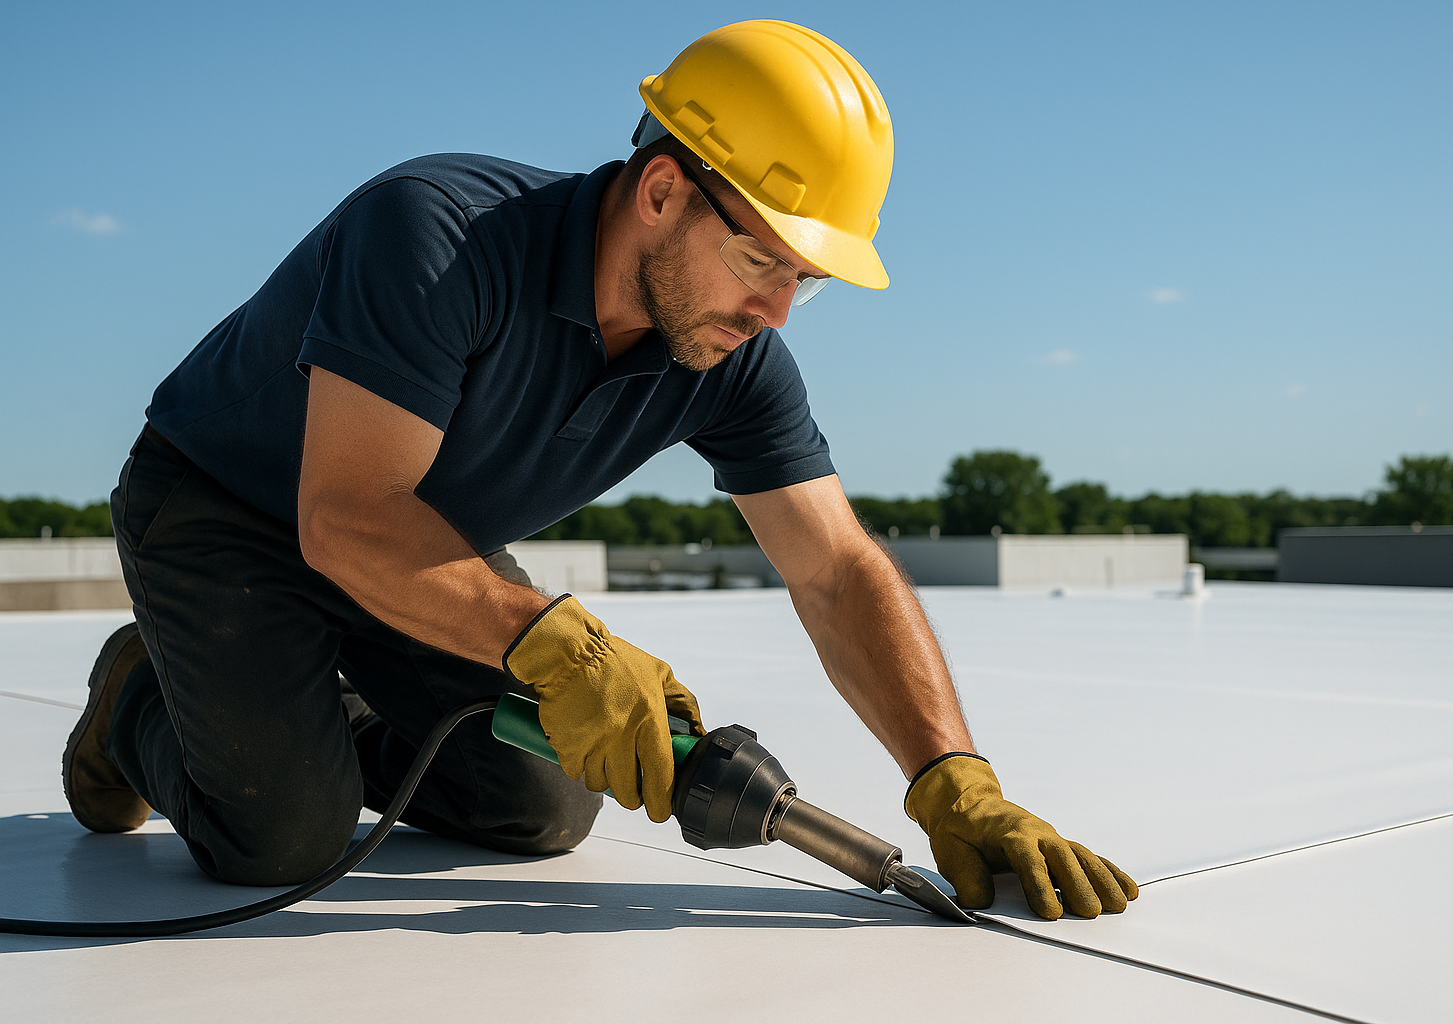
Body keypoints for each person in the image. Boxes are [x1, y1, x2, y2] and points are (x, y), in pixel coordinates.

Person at [63, 20, 1136, 920]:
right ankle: (138, 700)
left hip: (419, 539)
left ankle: (313, 718)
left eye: (804, 285)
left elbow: (835, 568)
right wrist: (554, 641)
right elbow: (344, 517)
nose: (772, 312)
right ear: (663, 191)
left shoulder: (727, 356)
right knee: (284, 839)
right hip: (225, 510)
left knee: (539, 804)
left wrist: (951, 772)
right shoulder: (440, 236)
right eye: (763, 259)